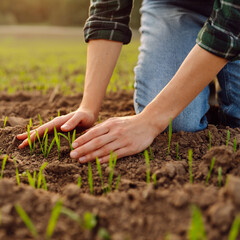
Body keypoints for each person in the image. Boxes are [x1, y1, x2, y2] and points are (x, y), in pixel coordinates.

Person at [17, 0, 240, 163]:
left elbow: (229, 27)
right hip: (177, 6)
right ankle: (197, 79)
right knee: (176, 123)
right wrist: (88, 107)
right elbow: (108, 12)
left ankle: (200, 75)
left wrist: (150, 120)